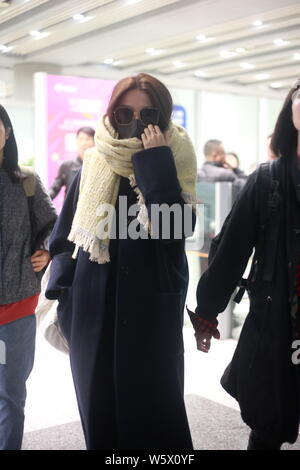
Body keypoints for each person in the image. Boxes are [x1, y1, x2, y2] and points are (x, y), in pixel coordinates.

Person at [45, 73, 197, 450]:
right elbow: (64, 238)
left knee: (156, 423)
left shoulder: (174, 161)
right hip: (92, 316)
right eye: (125, 112)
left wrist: (156, 165)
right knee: (101, 421)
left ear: (161, 117)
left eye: (147, 113)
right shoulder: (94, 165)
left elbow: (173, 230)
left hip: (150, 317)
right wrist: (66, 300)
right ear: (112, 115)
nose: (135, 121)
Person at [188, 78, 300, 450]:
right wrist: (207, 312)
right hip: (276, 320)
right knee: (268, 420)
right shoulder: (268, 179)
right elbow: (231, 249)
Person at [0, 104, 57, 450]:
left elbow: (52, 226)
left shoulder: (26, 181)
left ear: (6, 132)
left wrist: (48, 249)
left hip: (16, 309)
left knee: (9, 395)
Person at [49, 126, 95, 200]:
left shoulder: (99, 167)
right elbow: (54, 190)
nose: (84, 143)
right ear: (76, 141)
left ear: (94, 143)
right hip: (71, 210)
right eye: (81, 139)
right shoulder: (66, 166)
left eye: (87, 139)